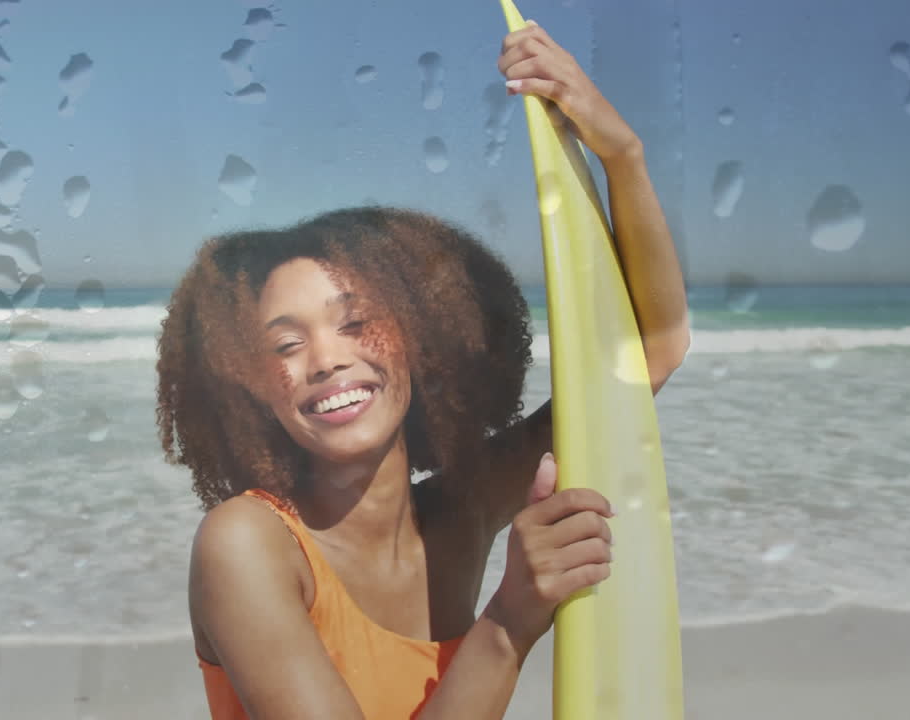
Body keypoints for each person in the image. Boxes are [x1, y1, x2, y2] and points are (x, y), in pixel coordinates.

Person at [154, 20, 690, 720]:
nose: (327, 359)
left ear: (422, 344)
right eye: (285, 347)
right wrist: (509, 621)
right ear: (249, 388)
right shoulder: (246, 544)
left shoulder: (460, 512)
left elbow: (650, 351)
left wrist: (622, 154)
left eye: (356, 322)